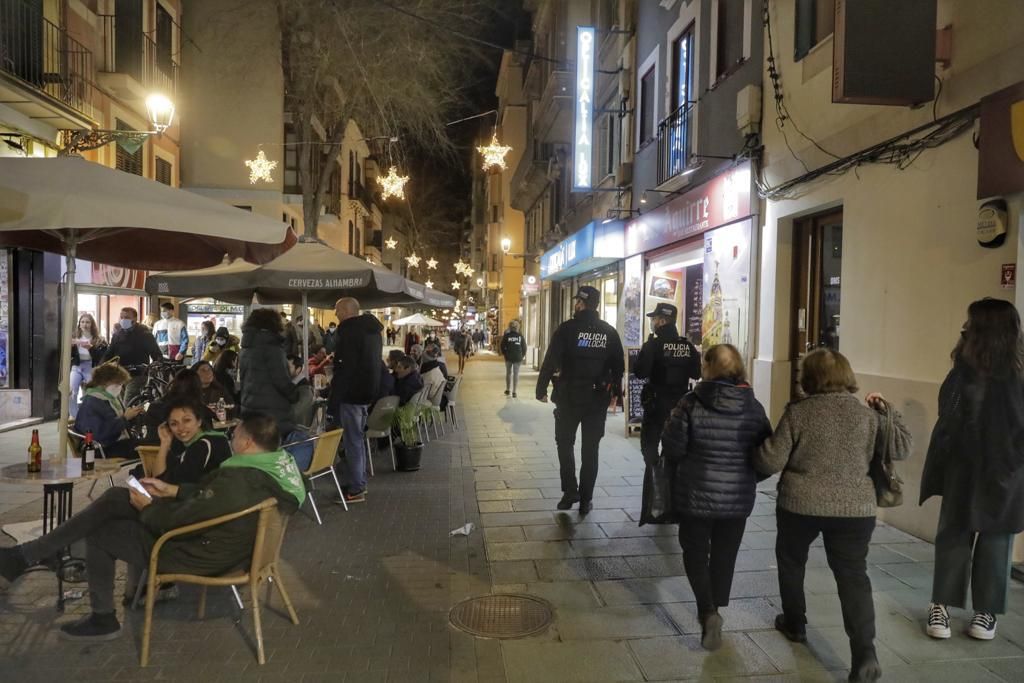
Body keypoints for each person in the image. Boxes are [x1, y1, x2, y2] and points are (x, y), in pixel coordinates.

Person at [0, 413, 304, 642]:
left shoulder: (240, 480)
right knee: (118, 498)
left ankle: (100, 615)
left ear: (247, 441)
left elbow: (186, 519)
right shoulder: (272, 468)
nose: (232, 438)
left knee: (102, 531)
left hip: (197, 553)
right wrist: (170, 491)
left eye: (235, 434)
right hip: (220, 544)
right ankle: (31, 554)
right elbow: (208, 502)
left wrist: (149, 507)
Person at [754, 349, 911, 683]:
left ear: (807, 379)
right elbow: (901, 449)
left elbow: (769, 462)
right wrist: (888, 410)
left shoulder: (798, 413)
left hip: (800, 506)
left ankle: (795, 623)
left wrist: (756, 447)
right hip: (855, 510)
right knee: (853, 576)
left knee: (792, 560)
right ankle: (864, 654)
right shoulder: (868, 417)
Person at [921, 298, 1024, 642]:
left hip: (1004, 469)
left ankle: (986, 611)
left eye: (971, 322)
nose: (965, 326)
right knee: (954, 535)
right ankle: (943, 605)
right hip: (966, 465)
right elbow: (947, 411)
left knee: (994, 539)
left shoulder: (1017, 370)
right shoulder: (965, 364)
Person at [660, 344, 772, 651]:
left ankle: (707, 610)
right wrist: (745, 480)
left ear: (708, 368)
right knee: (725, 553)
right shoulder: (754, 407)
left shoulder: (690, 403)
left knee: (695, 551)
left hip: (695, 494)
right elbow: (766, 456)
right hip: (737, 499)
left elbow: (673, 447)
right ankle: (716, 609)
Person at [536, 285, 625, 515]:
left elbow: (551, 359)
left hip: (569, 398)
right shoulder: (608, 332)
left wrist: (541, 388)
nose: (576, 304)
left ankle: (570, 491)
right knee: (590, 449)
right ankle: (586, 499)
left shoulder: (567, 329)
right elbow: (619, 366)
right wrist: (615, 392)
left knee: (564, 444)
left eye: (578, 301)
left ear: (581, 304)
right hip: (597, 400)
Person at [328, 297, 383, 504]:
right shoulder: (372, 332)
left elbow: (345, 370)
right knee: (356, 440)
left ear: (346, 310)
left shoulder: (350, 332)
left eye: (337, 310)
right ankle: (357, 482)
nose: (335, 314)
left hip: (351, 394)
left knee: (353, 441)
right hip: (366, 393)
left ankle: (357, 487)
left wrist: (333, 402)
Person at [634, 303, 701, 464]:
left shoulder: (653, 345)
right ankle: (668, 477)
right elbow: (696, 373)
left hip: (656, 405)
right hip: (681, 405)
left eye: (655, 319)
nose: (653, 322)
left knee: (649, 445)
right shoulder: (687, 346)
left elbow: (640, 372)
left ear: (662, 321)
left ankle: (655, 477)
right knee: (673, 446)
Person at [144, 396, 232, 484]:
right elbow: (158, 479)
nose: (181, 428)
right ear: (169, 427)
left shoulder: (202, 446)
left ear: (199, 421)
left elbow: (162, 485)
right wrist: (165, 443)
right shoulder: (214, 439)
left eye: (187, 420)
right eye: (174, 424)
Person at [239, 308, 298, 437]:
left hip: (250, 411)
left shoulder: (245, 348)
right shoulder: (272, 348)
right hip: (273, 415)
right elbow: (281, 382)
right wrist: (295, 394)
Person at [74, 363, 145, 458]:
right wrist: (125, 418)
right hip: (101, 448)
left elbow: (115, 424)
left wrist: (134, 416)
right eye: (117, 384)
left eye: (121, 384)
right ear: (104, 382)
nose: (120, 387)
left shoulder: (109, 398)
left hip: (113, 443)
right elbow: (100, 435)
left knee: (150, 443)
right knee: (149, 448)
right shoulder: (91, 402)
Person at [103, 307, 162, 405]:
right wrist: (102, 366)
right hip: (119, 374)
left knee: (128, 403)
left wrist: (155, 366)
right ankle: (133, 418)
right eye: (121, 317)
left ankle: (132, 418)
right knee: (119, 405)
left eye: (126, 317)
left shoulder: (144, 334)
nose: (123, 319)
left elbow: (157, 354)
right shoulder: (117, 334)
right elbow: (109, 353)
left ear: (134, 319)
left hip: (138, 375)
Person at [70, 313, 107, 419]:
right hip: (77, 366)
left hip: (90, 366)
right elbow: (67, 355)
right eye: (82, 322)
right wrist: (70, 347)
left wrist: (91, 347)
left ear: (92, 324)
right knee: (72, 391)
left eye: (87, 322)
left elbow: (102, 357)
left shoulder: (99, 339)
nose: (84, 324)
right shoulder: (74, 337)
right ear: (79, 324)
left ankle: (88, 414)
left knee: (90, 392)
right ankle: (74, 416)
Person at [500, 320, 527, 397]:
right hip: (518, 357)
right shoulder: (520, 336)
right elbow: (524, 347)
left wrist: (505, 354)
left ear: (510, 327)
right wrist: (522, 356)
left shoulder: (507, 336)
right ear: (517, 327)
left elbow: (502, 346)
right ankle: (514, 392)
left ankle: (508, 390)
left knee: (508, 373)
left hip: (508, 357)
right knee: (516, 374)